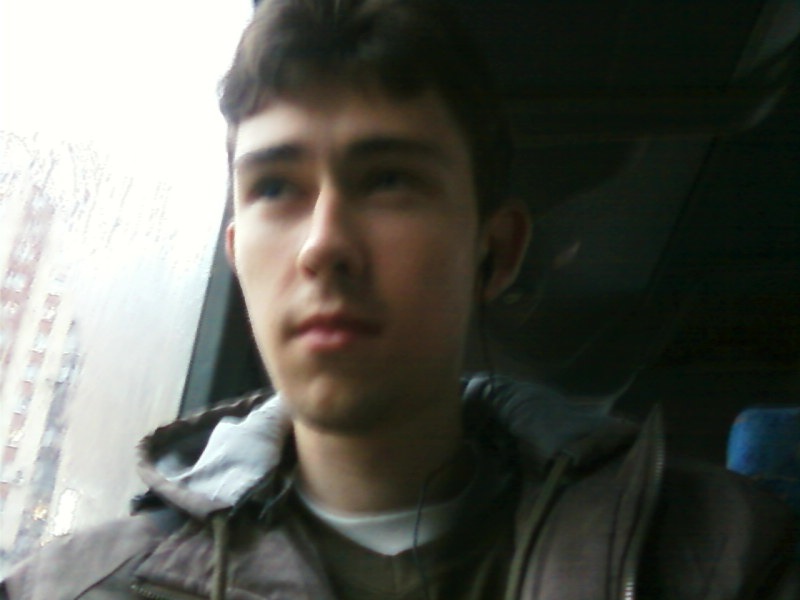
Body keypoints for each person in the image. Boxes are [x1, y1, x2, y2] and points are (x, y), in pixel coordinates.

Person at [2, 0, 796, 598]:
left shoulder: (722, 553)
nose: (322, 244)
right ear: (239, 257)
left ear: (495, 251)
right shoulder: (72, 587)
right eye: (275, 187)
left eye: (388, 180)